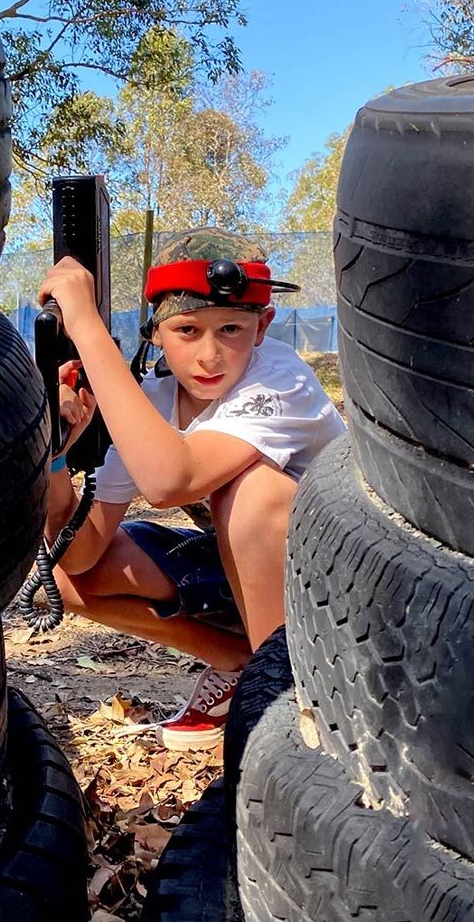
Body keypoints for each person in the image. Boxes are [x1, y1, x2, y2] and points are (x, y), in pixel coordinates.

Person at [38, 229, 345, 750]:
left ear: (263, 326)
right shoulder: (154, 397)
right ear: (156, 333)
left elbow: (169, 480)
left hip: (338, 586)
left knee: (253, 492)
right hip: (251, 574)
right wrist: (55, 455)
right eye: (187, 329)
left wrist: (87, 327)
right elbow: (79, 553)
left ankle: (288, 701)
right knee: (63, 578)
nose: (210, 355)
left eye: (231, 329)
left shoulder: (279, 379)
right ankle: (238, 662)